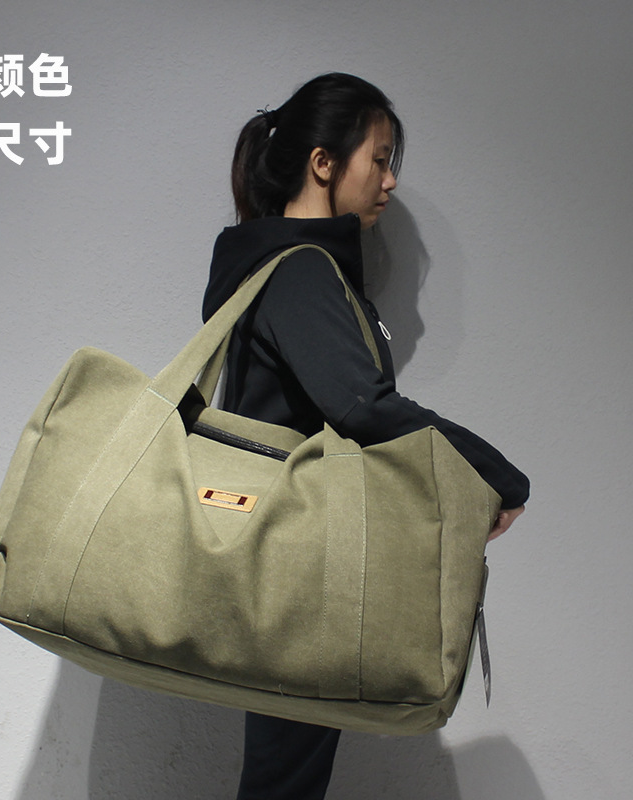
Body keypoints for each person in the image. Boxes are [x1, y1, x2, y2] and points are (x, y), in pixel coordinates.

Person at [201, 73, 529, 800]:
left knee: (287, 772)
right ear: (323, 163)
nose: (390, 180)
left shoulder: (277, 265)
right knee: (285, 779)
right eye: (379, 159)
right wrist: (494, 475)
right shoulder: (300, 271)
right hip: (297, 566)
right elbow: (362, 406)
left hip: (278, 551)